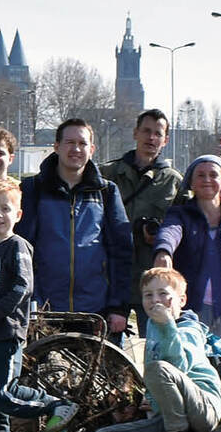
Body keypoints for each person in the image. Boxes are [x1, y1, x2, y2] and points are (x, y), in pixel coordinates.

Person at [92, 269, 221, 432]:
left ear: (181, 300)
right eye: (148, 295)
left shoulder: (189, 328)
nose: (155, 301)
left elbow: (179, 367)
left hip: (202, 410)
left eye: (163, 294)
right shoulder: (154, 328)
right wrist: (152, 400)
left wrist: (167, 326)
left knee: (157, 368)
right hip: (169, 418)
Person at [0, 177, 70, 432]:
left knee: (3, 393)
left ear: (18, 215)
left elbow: (22, 288)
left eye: (6, 209)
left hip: (6, 333)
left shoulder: (17, 246)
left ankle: (56, 405)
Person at [18, 118, 135, 338]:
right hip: (45, 311)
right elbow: (22, 251)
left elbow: (121, 253)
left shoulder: (107, 192)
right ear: (56, 146)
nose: (76, 149)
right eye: (69, 142)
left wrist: (118, 307)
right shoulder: (32, 189)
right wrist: (32, 301)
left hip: (96, 312)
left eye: (82, 143)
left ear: (92, 149)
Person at [150, 155, 221, 345]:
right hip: (191, 313)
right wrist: (164, 251)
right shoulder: (179, 215)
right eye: (200, 175)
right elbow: (170, 231)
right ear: (191, 183)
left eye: (213, 175)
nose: (207, 180)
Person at [100, 108, 182, 266]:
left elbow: (187, 223)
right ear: (135, 133)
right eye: (146, 131)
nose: (151, 138)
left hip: (151, 270)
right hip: (111, 266)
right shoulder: (107, 174)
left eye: (158, 133)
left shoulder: (174, 182)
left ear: (166, 140)